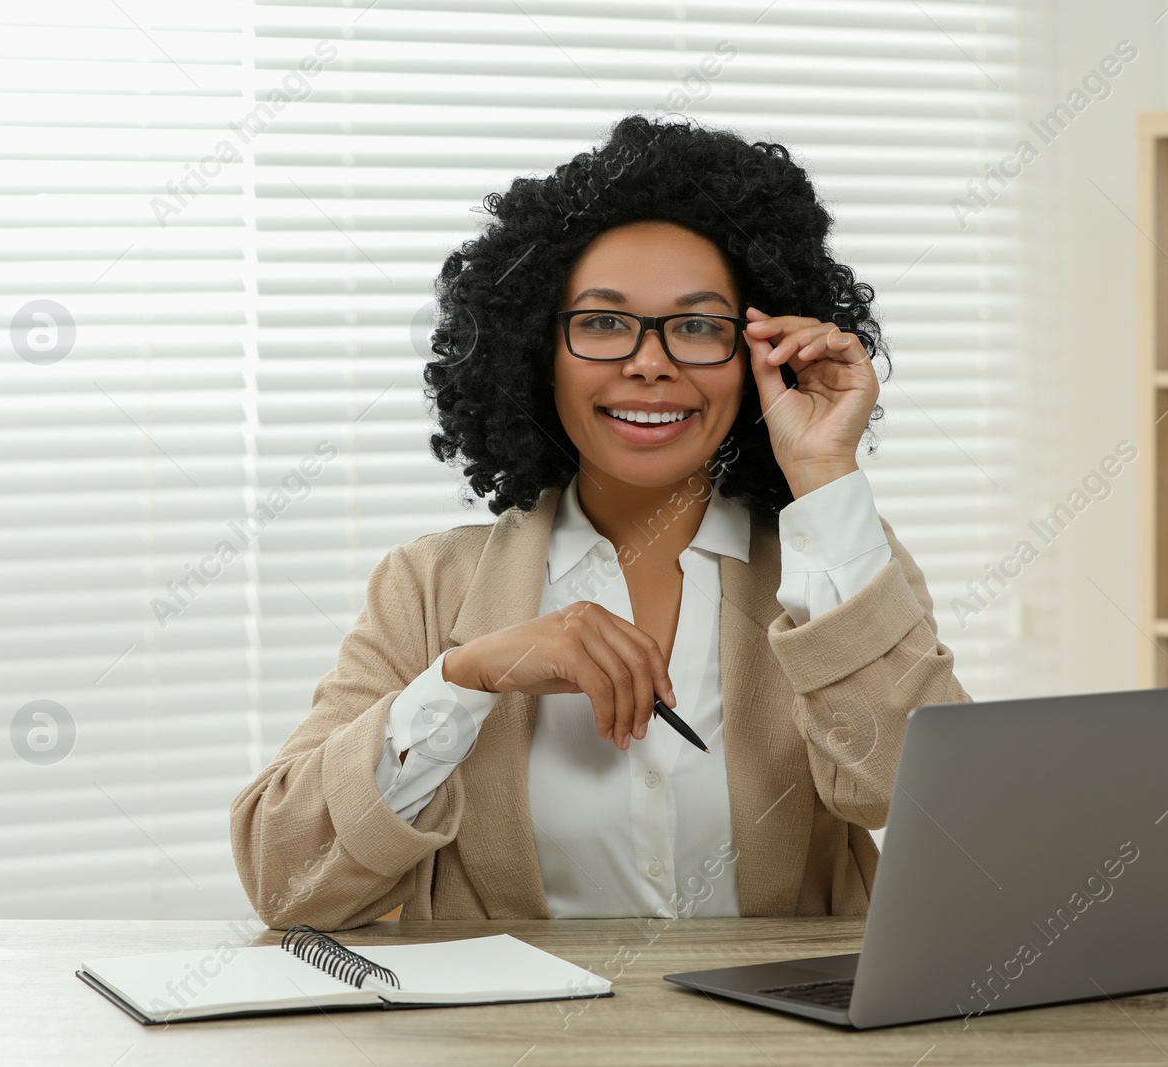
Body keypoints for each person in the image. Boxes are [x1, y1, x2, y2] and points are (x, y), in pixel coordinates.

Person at [230, 113, 968, 930]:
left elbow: (918, 799)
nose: (648, 362)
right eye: (605, 323)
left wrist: (824, 474)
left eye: (697, 327)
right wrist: (464, 678)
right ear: (536, 352)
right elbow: (285, 882)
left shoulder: (837, 561)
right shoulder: (431, 588)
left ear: (758, 355)